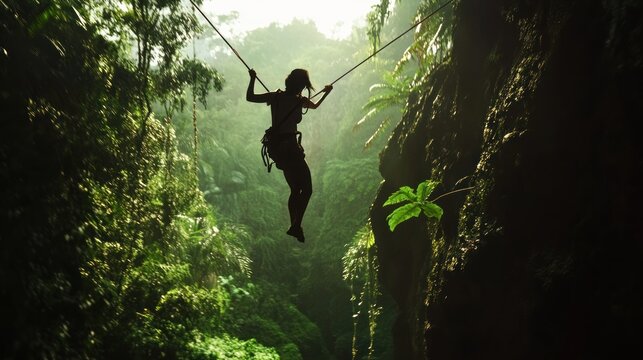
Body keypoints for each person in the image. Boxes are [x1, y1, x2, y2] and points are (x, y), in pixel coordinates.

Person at [246, 68, 333, 243]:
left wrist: (252, 79)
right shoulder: (299, 100)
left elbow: (251, 97)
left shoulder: (275, 97)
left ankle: (295, 225)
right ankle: (295, 225)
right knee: (306, 189)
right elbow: (315, 106)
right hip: (291, 149)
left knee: (295, 189)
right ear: (301, 86)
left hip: (278, 150)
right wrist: (327, 92)